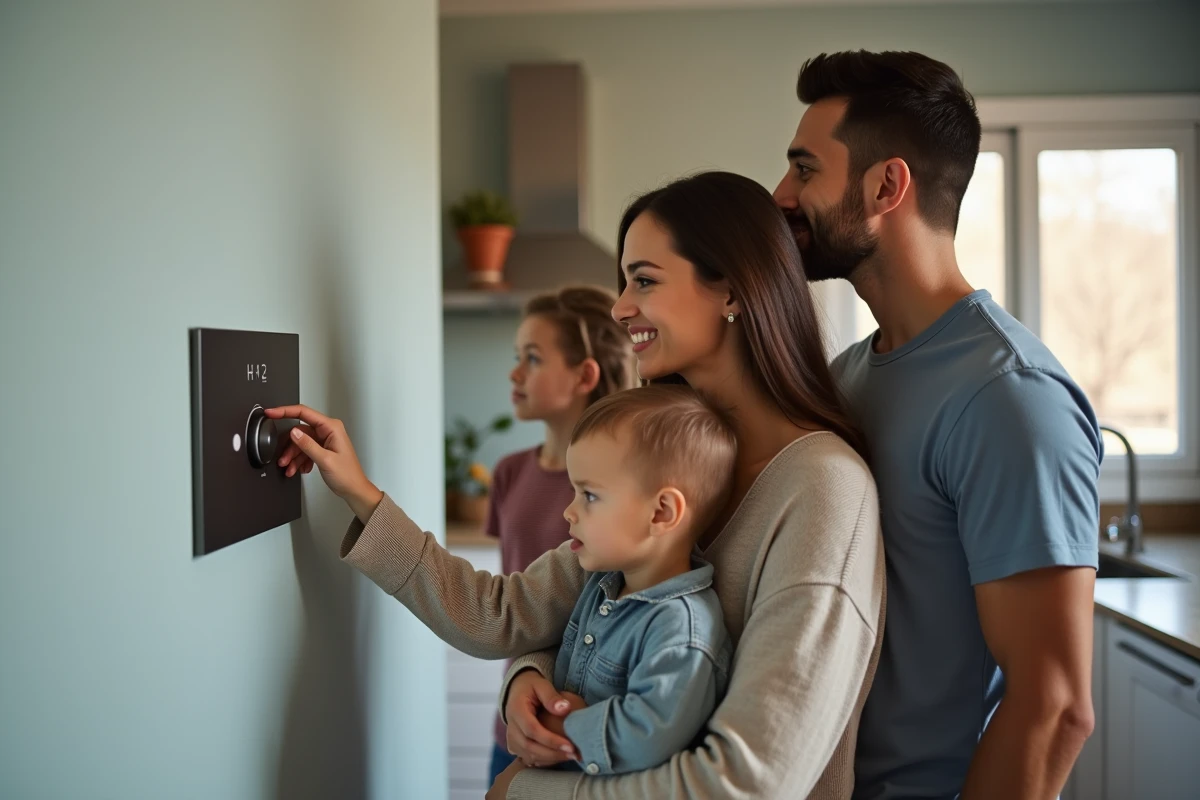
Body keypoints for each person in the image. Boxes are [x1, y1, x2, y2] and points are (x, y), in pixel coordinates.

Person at [267, 170, 885, 799]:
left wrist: (524, 792)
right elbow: (505, 615)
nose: (619, 306)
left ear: (730, 288)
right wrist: (528, 680)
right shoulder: (663, 461)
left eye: (643, 279)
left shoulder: (823, 491)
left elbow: (747, 783)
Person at [772, 50, 1101, 799]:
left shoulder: (1008, 398)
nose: (781, 194)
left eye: (804, 170)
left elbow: (1053, 708)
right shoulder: (849, 376)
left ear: (886, 185)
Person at [525, 384, 737, 777]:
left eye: (589, 495)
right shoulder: (602, 584)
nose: (569, 512)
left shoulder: (682, 628)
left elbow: (648, 734)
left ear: (661, 513)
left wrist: (561, 726)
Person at [483, 285, 637, 785]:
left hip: (583, 726)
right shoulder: (507, 473)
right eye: (516, 357)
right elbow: (510, 600)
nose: (514, 373)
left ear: (584, 375)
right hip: (512, 721)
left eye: (532, 358)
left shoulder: (619, 487)